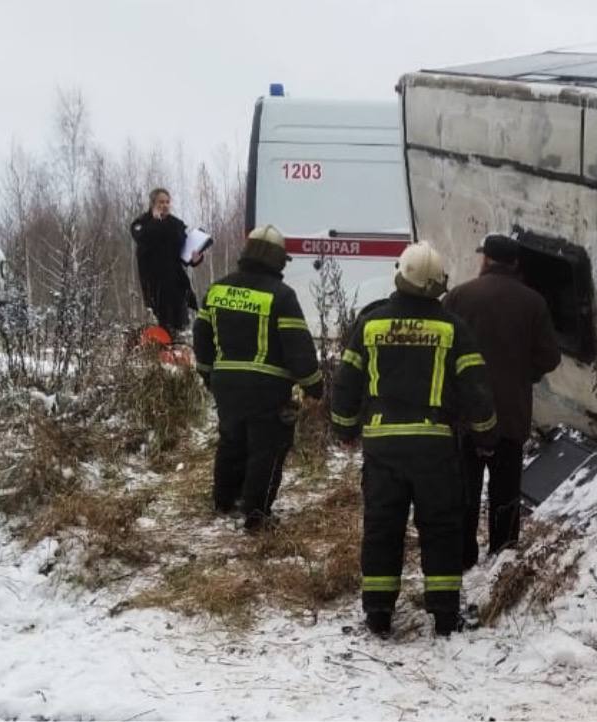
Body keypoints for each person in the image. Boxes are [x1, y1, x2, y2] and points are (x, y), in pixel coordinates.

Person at [331, 241, 497, 638]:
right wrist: (486, 434)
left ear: (399, 275)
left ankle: (377, 613)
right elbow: (476, 387)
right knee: (441, 529)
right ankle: (443, 615)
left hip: (383, 446)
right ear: (438, 285)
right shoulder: (452, 328)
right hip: (434, 448)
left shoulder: (370, 325)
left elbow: (347, 381)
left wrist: (345, 428)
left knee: (382, 528)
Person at [193, 224, 323, 531]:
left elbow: (201, 336)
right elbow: (298, 346)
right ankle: (256, 514)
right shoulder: (281, 295)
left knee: (231, 441)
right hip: (267, 388)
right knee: (268, 448)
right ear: (277, 259)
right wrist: (313, 384)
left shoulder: (218, 288)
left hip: (226, 385)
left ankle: (224, 501)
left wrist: (208, 373)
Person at [443, 233, 561, 569]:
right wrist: (526, 374)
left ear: (485, 260)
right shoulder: (533, 302)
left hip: (465, 414)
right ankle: (503, 554)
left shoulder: (458, 297)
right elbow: (550, 357)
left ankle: (464, 554)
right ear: (515, 264)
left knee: (465, 487)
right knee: (505, 488)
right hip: (510, 413)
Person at [130, 188, 202, 338]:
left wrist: (196, 258)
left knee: (180, 324)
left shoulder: (176, 224)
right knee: (160, 325)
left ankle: (178, 352)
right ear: (152, 204)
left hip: (176, 282)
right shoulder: (142, 223)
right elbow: (142, 238)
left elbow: (185, 252)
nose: (165, 205)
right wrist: (156, 222)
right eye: (161, 202)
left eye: (167, 202)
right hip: (154, 284)